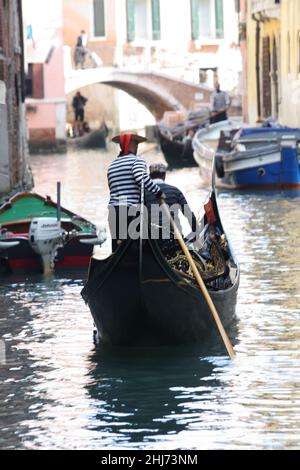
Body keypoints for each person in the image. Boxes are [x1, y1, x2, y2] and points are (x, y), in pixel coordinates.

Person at [108, 132, 164, 252]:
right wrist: (158, 192)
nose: (137, 147)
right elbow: (141, 177)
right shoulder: (138, 161)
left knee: (117, 250)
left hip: (114, 211)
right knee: (134, 249)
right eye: (136, 144)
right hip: (130, 211)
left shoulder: (112, 165)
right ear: (131, 146)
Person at [146, 163, 200, 243]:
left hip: (152, 242)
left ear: (150, 176)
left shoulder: (143, 192)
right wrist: (196, 234)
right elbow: (188, 214)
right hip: (175, 240)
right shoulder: (175, 191)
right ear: (164, 175)